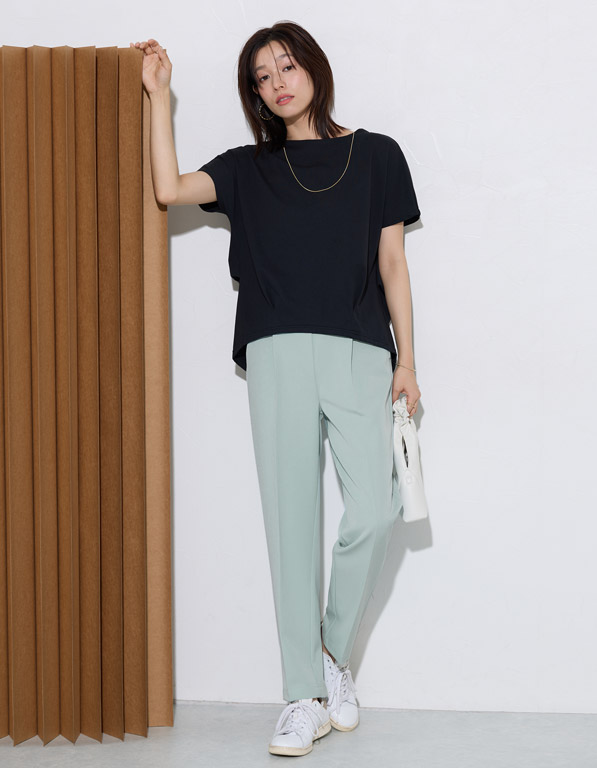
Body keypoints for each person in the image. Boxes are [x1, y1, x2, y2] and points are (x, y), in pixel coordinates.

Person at [132, 20, 422, 758]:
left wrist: (408, 362)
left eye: (286, 66)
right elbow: (168, 189)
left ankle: (327, 655)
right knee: (291, 524)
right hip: (278, 350)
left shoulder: (377, 155)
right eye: (262, 77)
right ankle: (303, 696)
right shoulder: (247, 168)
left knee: (376, 508)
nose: (277, 83)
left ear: (313, 67)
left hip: (362, 350)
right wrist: (158, 97)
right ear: (255, 95)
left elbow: (393, 264)